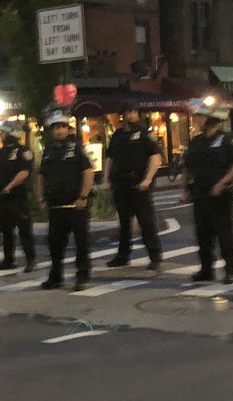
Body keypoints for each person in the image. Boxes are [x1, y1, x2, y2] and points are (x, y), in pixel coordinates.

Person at [182, 104, 233, 284]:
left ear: (211, 119)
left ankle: (231, 271)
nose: (196, 120)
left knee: (225, 234)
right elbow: (188, 167)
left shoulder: (229, 139)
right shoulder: (196, 141)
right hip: (200, 194)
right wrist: (185, 188)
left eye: (199, 117)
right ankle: (206, 269)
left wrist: (222, 182)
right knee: (203, 234)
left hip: (221, 195)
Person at [37, 110, 94, 291]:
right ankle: (56, 276)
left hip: (75, 204)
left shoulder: (77, 148)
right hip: (56, 205)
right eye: (56, 127)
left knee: (81, 243)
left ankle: (82, 276)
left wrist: (83, 196)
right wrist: (41, 198)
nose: (59, 131)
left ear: (68, 129)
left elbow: (88, 172)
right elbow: (41, 176)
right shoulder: (48, 151)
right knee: (55, 244)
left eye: (62, 127)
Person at [102, 101, 163, 271]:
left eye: (134, 112)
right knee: (124, 223)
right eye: (128, 112)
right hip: (121, 183)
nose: (132, 115)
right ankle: (123, 255)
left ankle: (154, 256)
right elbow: (110, 158)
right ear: (122, 115)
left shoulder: (144, 133)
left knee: (146, 222)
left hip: (139, 183)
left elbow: (155, 158)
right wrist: (106, 178)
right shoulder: (117, 135)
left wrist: (147, 179)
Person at [0, 121, 36, 272]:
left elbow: (24, 172)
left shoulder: (23, 151)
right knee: (6, 231)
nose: (0, 135)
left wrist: (9, 187)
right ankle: (8, 260)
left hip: (18, 197)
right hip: (4, 199)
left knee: (24, 230)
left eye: (3, 133)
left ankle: (30, 260)